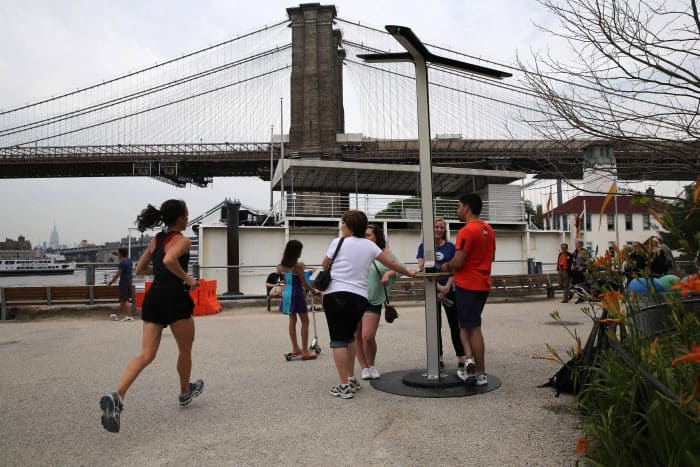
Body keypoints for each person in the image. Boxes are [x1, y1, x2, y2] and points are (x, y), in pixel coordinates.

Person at [99, 199, 203, 433]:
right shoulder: (183, 240)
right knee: (184, 350)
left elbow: (139, 269)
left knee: (146, 354)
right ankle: (185, 392)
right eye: (187, 215)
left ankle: (118, 396)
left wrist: (163, 271)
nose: (188, 218)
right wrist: (188, 279)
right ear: (180, 219)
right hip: (176, 298)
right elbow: (169, 260)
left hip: (154, 297)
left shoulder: (156, 240)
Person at [320, 210, 416, 399]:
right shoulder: (370, 247)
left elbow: (325, 265)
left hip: (336, 295)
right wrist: (409, 272)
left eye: (343, 224)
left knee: (339, 340)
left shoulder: (338, 242)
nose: (341, 227)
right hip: (359, 297)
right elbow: (393, 264)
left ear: (349, 226)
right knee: (349, 338)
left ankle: (344, 386)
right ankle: (351, 378)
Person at [441, 193, 495, 386]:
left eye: (458, 206)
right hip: (483, 284)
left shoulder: (466, 231)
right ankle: (469, 362)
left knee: (473, 328)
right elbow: (491, 257)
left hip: (467, 285)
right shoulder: (489, 229)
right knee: (466, 325)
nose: (457, 210)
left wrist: (446, 266)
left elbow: (459, 260)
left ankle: (480, 373)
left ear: (467, 207)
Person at [356, 224, 406, 380]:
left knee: (367, 336)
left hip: (373, 299)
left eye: (369, 235)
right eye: (364, 235)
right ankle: (364, 367)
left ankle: (371, 365)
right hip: (355, 297)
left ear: (377, 237)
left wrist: (389, 273)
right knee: (356, 335)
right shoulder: (357, 252)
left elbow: (401, 268)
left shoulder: (385, 253)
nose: (366, 238)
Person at [416, 217, 465, 369]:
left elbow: (455, 269)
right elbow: (422, 270)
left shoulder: (450, 247)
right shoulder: (423, 247)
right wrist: (438, 287)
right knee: (435, 326)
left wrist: (446, 288)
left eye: (441, 228)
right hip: (432, 291)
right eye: (436, 227)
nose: (438, 230)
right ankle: (439, 357)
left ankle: (461, 357)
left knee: (455, 325)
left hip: (449, 290)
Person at [279, 239, 318, 360]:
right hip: (296, 293)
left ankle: (295, 348)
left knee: (292, 320)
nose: (301, 252)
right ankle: (305, 351)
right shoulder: (299, 265)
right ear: (296, 251)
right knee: (305, 321)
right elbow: (305, 283)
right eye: (300, 250)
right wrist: (314, 291)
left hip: (287, 293)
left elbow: (286, 280)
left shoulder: (283, 264)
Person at [108, 247, 134, 321]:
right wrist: (116, 254)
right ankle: (116, 315)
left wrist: (111, 282)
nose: (117, 254)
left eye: (118, 252)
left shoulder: (122, 263)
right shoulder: (129, 261)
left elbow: (117, 275)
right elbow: (123, 257)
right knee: (123, 300)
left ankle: (129, 316)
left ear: (121, 254)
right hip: (129, 282)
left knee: (125, 300)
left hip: (123, 283)